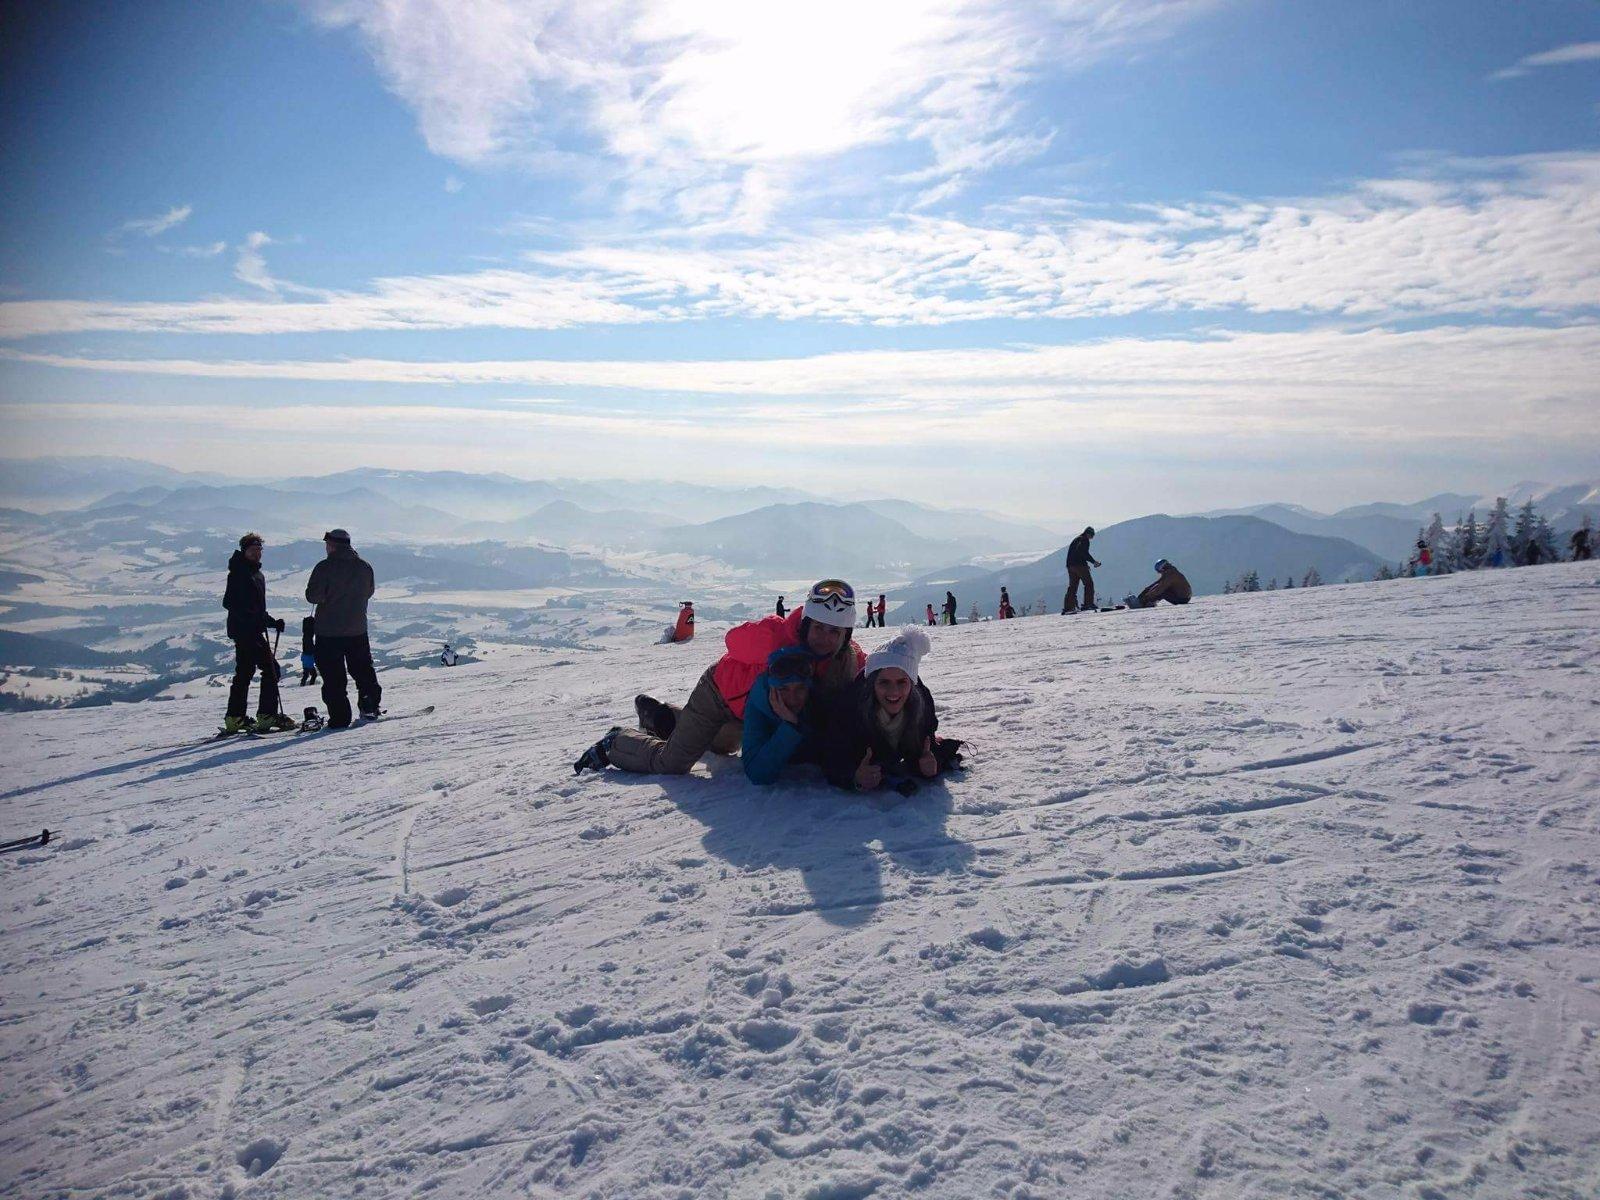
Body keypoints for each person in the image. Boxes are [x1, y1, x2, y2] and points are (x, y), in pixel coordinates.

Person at [575, 579, 866, 775]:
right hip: (717, 696)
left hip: (748, 715)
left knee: (722, 747)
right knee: (672, 763)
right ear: (805, 625)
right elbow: (732, 641)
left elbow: (874, 677)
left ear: (846, 635)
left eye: (834, 631)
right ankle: (615, 742)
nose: (824, 638)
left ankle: (662, 717)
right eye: (818, 628)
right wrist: (775, 648)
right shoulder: (776, 634)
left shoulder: (848, 659)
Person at [818, 627, 962, 796]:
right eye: (884, 682)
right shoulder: (851, 706)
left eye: (902, 682)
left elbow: (927, 743)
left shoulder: (922, 703)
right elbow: (831, 755)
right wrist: (854, 775)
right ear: (872, 684)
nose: (894, 692)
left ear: (911, 683)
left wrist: (931, 763)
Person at [306, 528, 380, 728]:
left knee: (333, 678)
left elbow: (313, 596)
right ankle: (369, 706)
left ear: (331, 545)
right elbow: (369, 591)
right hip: (357, 629)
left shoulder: (324, 567)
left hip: (328, 632)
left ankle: (340, 717)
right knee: (363, 671)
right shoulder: (364, 566)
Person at [222, 532, 291, 734]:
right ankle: (266, 715)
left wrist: (271, 622)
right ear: (244, 551)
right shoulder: (240, 573)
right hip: (247, 631)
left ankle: (235, 718)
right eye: (253, 550)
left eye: (259, 550)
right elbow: (229, 602)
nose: (257, 553)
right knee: (271, 669)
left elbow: (256, 608)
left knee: (244, 672)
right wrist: (255, 619)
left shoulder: (254, 573)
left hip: (246, 630)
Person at [741, 646, 825, 785]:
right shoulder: (759, 702)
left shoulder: (819, 697)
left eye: (800, 688)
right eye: (783, 689)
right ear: (771, 688)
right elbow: (757, 774)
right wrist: (790, 726)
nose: (793, 699)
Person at [1063, 526, 1100, 613]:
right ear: (1088, 533)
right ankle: (1088, 604)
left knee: (1072, 586)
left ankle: (1068, 607)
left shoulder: (1077, 539)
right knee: (1089, 584)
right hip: (1079, 565)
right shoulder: (1084, 540)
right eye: (1092, 535)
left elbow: (1077, 552)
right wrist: (1093, 562)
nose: (1092, 537)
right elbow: (1083, 552)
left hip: (1070, 566)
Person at [299, 616, 318, 687]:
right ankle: (310, 685)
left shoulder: (307, 654)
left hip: (306, 663)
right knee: (313, 675)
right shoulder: (308, 654)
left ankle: (303, 685)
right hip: (308, 662)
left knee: (307, 675)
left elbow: (303, 659)